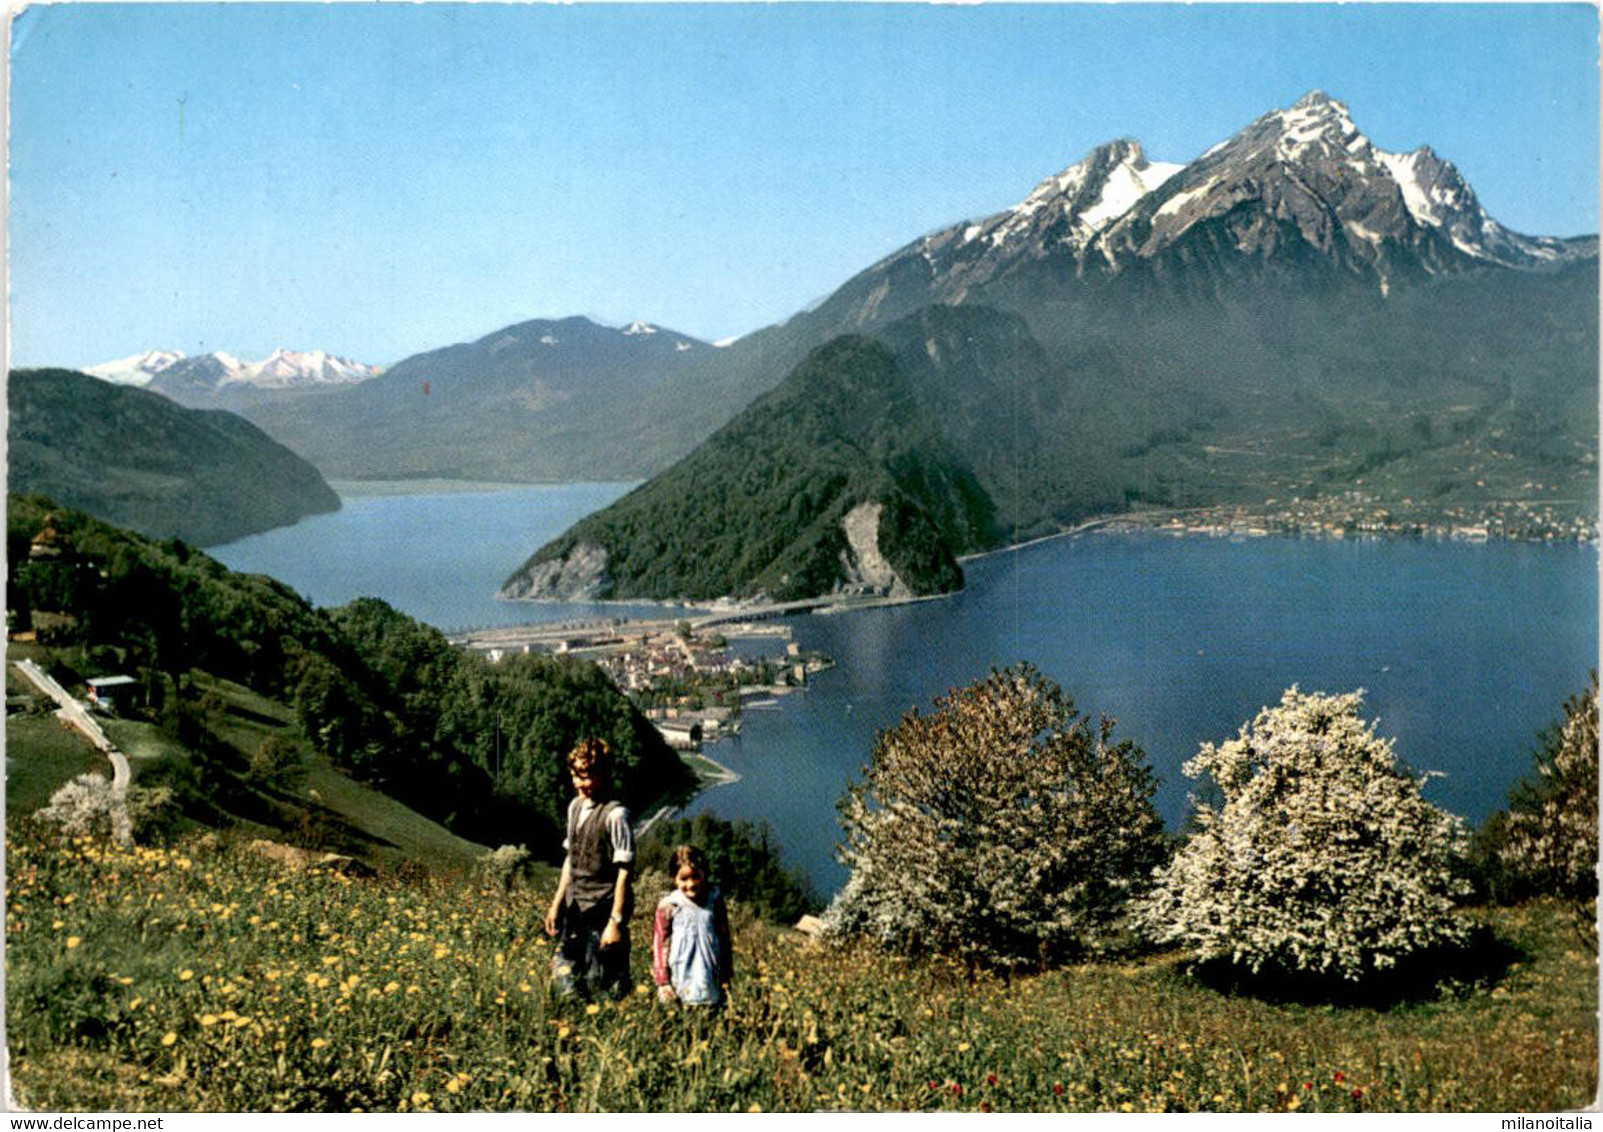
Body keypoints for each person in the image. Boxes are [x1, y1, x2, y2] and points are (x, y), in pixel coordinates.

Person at [544, 738, 634, 1000]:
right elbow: (570, 860)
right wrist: (557, 903)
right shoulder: (575, 807)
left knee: (601, 981)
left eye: (586, 776)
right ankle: (570, 1023)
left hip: (603, 910)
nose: (578, 783)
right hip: (576, 907)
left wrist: (615, 923)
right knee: (563, 975)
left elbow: (624, 872)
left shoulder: (616, 815)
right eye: (575, 775)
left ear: (604, 774)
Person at [651, 844, 733, 1007]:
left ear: (704, 873)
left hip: (710, 974)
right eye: (684, 879)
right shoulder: (669, 905)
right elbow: (660, 944)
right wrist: (663, 981)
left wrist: (727, 974)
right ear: (673, 878)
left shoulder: (714, 900)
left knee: (711, 1018)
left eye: (696, 876)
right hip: (680, 975)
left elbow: (724, 938)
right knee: (683, 1021)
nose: (691, 884)